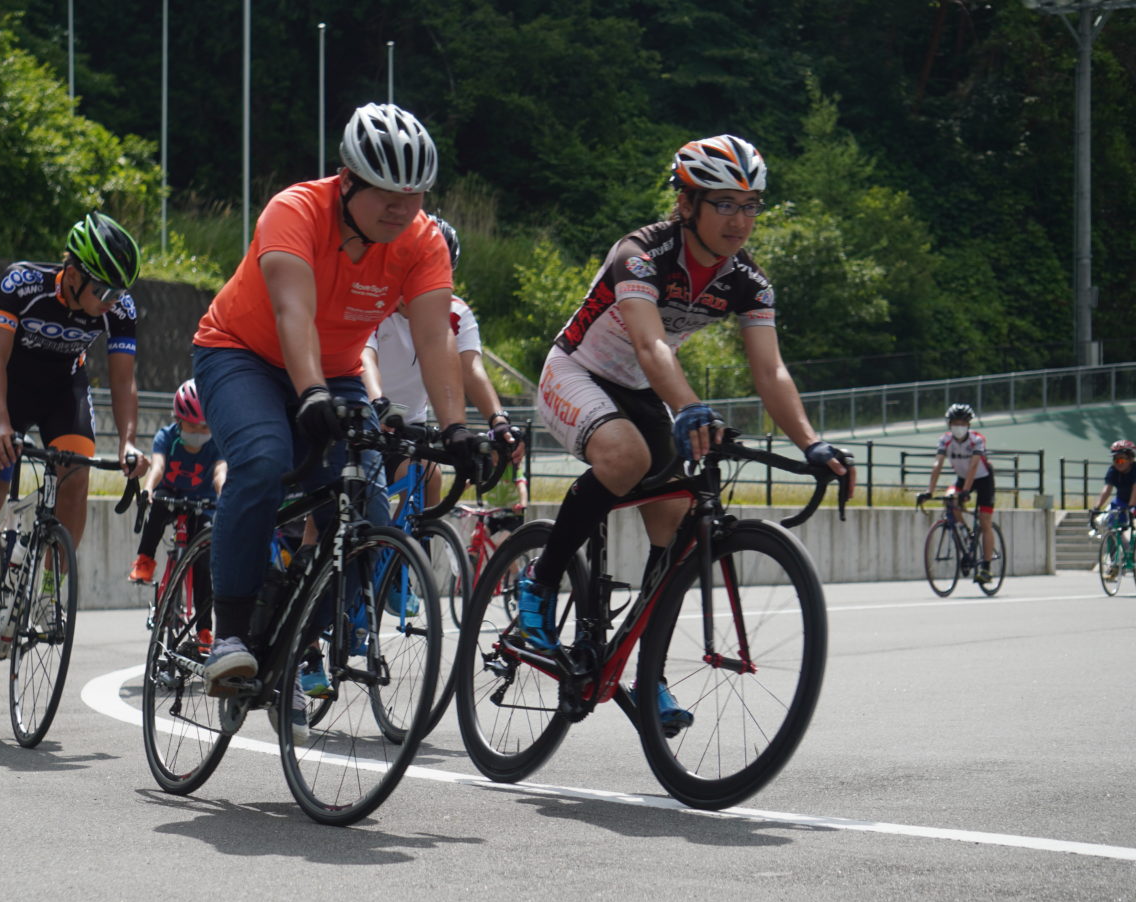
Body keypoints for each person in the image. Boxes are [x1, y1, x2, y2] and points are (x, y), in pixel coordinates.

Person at [518, 133, 852, 734]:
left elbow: (770, 369)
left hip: (646, 390)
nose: (740, 219)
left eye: (751, 205)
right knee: (624, 456)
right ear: (688, 202)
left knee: (678, 520)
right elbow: (649, 344)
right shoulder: (641, 254)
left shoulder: (747, 280)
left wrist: (811, 443)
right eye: (724, 203)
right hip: (576, 372)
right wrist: (691, 407)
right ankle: (538, 587)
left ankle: (647, 672)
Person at [191, 101, 480, 736]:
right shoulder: (295, 210)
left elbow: (437, 340)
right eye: (387, 196)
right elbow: (293, 314)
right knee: (264, 459)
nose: (403, 210)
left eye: (415, 195)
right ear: (347, 180)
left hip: (335, 369)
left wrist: (457, 430)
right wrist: (313, 393)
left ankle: (298, 639)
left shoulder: (422, 240)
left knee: (367, 513)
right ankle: (230, 636)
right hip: (241, 353)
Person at [0, 212, 149, 666]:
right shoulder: (21, 285)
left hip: (63, 392)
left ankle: (49, 592)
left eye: (119, 293)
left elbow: (123, 382)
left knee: (76, 477)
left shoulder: (119, 309)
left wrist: (127, 442)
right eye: (104, 291)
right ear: (73, 274)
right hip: (8, 389)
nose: (112, 302)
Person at [362, 214, 522, 505]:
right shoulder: (374, 300)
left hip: (408, 427)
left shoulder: (456, 314)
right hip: (365, 414)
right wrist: (377, 401)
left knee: (428, 477)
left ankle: (411, 549)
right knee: (347, 496)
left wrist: (498, 420)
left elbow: (472, 370)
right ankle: (311, 545)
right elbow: (364, 356)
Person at [129, 379, 226, 593]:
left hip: (202, 501)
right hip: (170, 494)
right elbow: (158, 467)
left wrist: (225, 493)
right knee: (157, 511)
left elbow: (220, 472)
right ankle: (145, 560)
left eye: (205, 426)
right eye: (192, 425)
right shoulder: (166, 437)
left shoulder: (217, 442)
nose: (199, 433)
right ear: (179, 420)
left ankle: (203, 626)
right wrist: (149, 488)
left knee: (202, 555)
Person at [917, 402, 996, 583]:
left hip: (983, 479)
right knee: (949, 499)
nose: (958, 426)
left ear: (968, 424)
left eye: (962, 422)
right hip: (962, 478)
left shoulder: (977, 440)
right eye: (955, 422)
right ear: (949, 424)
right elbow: (937, 464)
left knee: (984, 521)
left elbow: (974, 465)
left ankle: (986, 568)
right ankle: (965, 532)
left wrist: (967, 491)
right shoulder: (945, 440)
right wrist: (929, 491)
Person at [1089, 439, 1136, 572]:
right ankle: (1114, 564)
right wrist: (1096, 508)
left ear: (1130, 459)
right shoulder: (1113, 471)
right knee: (1112, 527)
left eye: (1121, 460)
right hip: (1121, 500)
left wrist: (1131, 507)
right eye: (1115, 460)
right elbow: (1107, 489)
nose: (1118, 463)